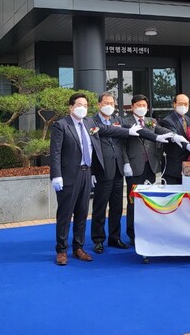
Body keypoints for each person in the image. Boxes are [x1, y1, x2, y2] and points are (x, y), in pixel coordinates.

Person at [49, 92, 143, 266]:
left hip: (86, 173)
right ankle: (61, 250)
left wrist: (128, 131)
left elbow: (108, 130)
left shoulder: (89, 123)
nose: (82, 108)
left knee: (82, 212)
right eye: (79, 105)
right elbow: (55, 153)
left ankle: (78, 247)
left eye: (85, 105)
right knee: (65, 214)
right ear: (70, 107)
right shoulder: (61, 125)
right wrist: (56, 175)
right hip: (69, 175)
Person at [122, 94, 176, 245]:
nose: (141, 108)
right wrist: (126, 163)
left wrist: (173, 135)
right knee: (133, 201)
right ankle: (132, 233)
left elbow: (160, 130)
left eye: (144, 106)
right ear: (132, 107)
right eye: (138, 105)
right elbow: (122, 146)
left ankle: (147, 230)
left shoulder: (151, 121)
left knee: (149, 200)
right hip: (134, 168)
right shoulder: (125, 122)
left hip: (151, 166)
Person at [90, 92, 133, 254]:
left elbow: (122, 142)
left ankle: (114, 237)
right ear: (99, 104)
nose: (109, 106)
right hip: (102, 170)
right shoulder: (91, 122)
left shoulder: (118, 120)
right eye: (105, 103)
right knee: (100, 207)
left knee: (117, 206)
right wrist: (92, 171)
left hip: (118, 168)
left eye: (111, 103)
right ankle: (98, 239)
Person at [159, 93, 190, 184]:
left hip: (187, 166)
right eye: (180, 103)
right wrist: (188, 146)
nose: (183, 106)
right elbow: (174, 136)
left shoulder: (188, 120)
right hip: (172, 167)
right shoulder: (167, 121)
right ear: (174, 104)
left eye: (186, 104)